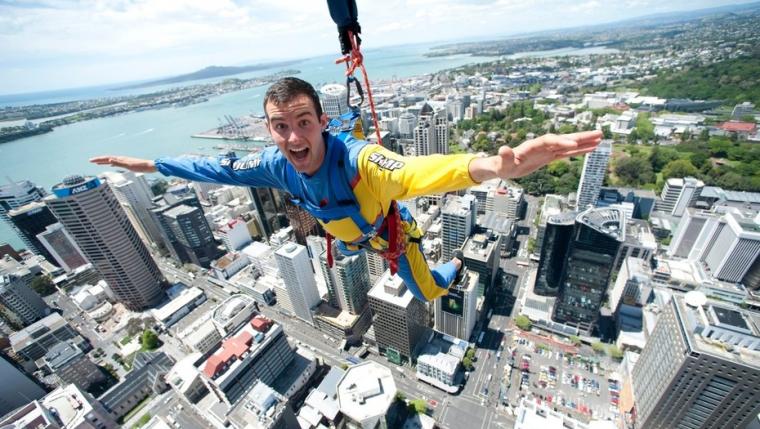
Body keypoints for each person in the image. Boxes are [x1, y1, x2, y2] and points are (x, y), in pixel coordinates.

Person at [91, 77, 602, 302]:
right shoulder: (273, 164)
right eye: (280, 125)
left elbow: (414, 172)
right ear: (269, 129)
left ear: (321, 121)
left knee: (425, 288)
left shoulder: (359, 160)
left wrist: (492, 168)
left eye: (303, 121)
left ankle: (447, 275)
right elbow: (214, 167)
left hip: (389, 232)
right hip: (351, 239)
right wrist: (149, 163)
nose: (294, 137)